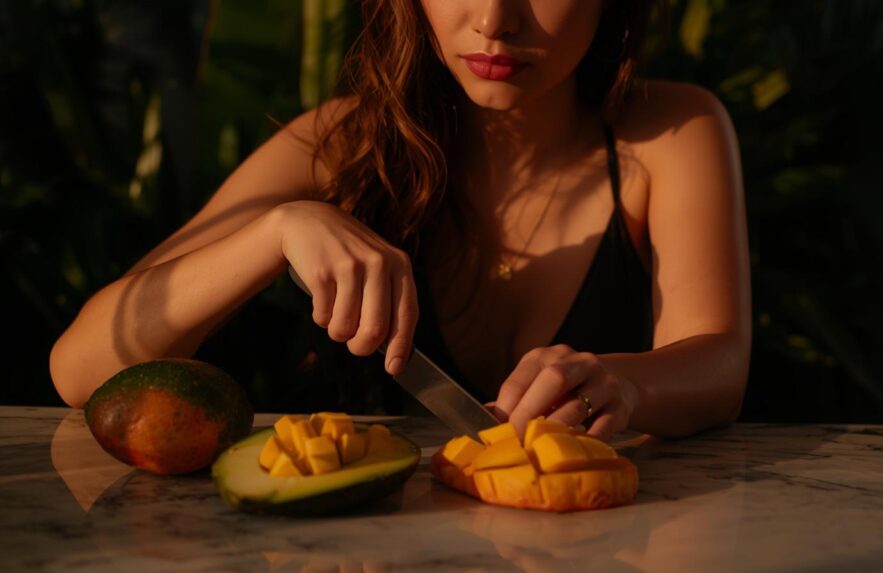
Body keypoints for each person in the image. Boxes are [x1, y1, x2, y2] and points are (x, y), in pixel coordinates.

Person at [49, 0, 751, 440]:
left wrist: (625, 383)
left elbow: (718, 359)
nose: (494, 20)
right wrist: (274, 231)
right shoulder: (339, 143)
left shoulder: (671, 132)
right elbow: (82, 369)